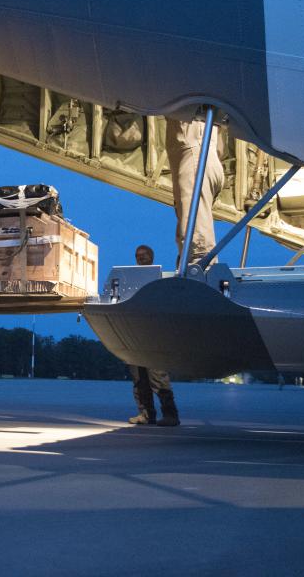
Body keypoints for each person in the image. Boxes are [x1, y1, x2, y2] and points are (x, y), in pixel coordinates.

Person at [127, 245, 180, 427]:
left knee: (158, 377)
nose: (140, 258)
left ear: (152, 256)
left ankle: (170, 415)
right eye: (137, 256)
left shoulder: (159, 279)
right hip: (135, 336)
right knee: (139, 379)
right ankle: (146, 414)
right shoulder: (131, 280)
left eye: (144, 255)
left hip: (154, 337)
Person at [165, 112, 224, 266]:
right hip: (202, 155)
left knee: (198, 246)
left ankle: (199, 275)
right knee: (193, 234)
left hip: (195, 157)